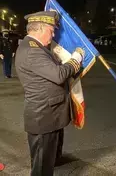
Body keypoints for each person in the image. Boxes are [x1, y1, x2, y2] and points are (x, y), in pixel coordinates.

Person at [15, 11, 85, 176]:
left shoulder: (35, 47)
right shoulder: (33, 51)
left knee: (48, 154)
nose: (54, 35)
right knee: (41, 167)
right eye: (51, 30)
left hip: (49, 113)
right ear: (39, 29)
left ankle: (55, 160)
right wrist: (75, 59)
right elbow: (58, 75)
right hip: (43, 116)